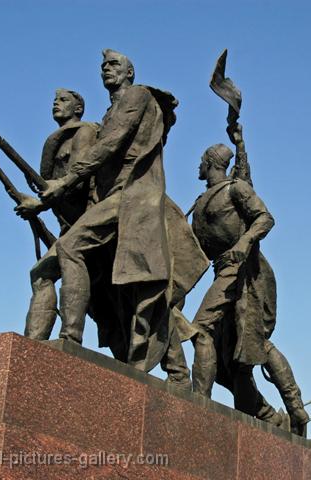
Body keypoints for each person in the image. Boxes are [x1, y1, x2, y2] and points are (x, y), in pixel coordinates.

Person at [40, 49, 207, 375]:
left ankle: (69, 341)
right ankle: (176, 371)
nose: (106, 69)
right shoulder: (109, 110)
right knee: (132, 294)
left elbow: (110, 144)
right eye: (103, 66)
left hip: (132, 199)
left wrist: (62, 185)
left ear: (129, 72)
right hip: (113, 202)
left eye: (114, 64)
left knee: (72, 250)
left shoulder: (137, 95)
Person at [189, 130, 308, 435]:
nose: (197, 166)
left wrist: (244, 244)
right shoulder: (201, 200)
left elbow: (264, 218)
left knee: (209, 329)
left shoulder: (235, 188)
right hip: (221, 272)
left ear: (209, 162)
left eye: (201, 161)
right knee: (234, 367)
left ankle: (195, 404)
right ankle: (271, 416)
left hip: (246, 273)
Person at [15, 88, 97, 341]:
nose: (56, 104)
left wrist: (39, 205)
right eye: (54, 100)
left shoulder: (84, 132)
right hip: (69, 226)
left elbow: (78, 181)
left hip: (92, 221)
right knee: (40, 274)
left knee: (62, 260)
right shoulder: (56, 139)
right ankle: (32, 346)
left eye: (63, 100)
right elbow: (51, 188)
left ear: (78, 109)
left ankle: (70, 337)